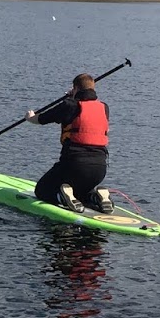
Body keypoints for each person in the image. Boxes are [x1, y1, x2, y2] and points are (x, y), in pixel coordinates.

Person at [26, 73, 112, 214]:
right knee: (80, 191)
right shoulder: (104, 107)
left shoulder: (69, 105)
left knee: (41, 190)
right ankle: (96, 197)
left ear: (75, 88)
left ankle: (62, 198)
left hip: (74, 165)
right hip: (100, 168)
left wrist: (30, 117)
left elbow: (41, 119)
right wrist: (74, 97)